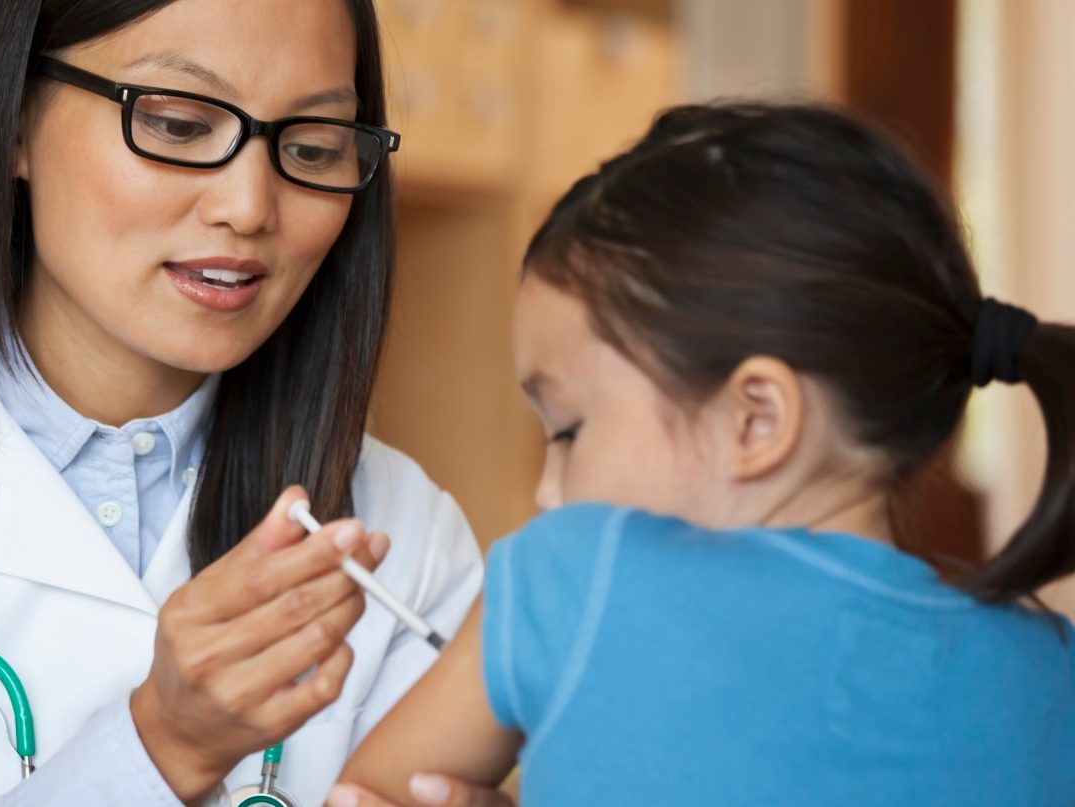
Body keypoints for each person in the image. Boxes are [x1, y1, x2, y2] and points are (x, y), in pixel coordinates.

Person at [0, 1, 484, 805]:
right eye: (179, 125)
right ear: (14, 120)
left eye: (310, 146)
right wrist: (160, 749)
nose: (250, 207)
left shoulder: (405, 535)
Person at [330, 102, 1075, 807]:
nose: (550, 492)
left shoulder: (578, 574)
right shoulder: (1050, 668)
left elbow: (365, 800)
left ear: (755, 420)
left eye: (568, 430)